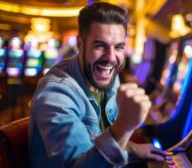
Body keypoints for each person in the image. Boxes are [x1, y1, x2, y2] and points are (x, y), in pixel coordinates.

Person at [29, 2, 166, 168]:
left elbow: (92, 140)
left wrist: (131, 149)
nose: (111, 57)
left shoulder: (107, 76)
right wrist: (124, 126)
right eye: (100, 46)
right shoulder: (56, 94)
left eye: (118, 47)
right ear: (80, 44)